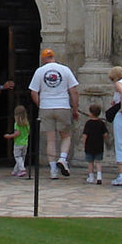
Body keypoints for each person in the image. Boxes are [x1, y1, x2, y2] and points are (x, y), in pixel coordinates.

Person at [28, 49, 79, 179]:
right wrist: (75, 108)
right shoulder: (65, 70)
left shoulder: (39, 71)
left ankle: (53, 170)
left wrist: (42, 105)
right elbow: (73, 90)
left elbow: (33, 92)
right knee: (66, 136)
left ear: (43, 58)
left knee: (50, 139)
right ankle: (62, 158)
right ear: (53, 57)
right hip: (62, 105)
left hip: (46, 106)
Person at [80, 103, 106, 183]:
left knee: (90, 162)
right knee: (98, 161)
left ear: (90, 113)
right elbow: (105, 134)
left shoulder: (88, 123)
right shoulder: (101, 123)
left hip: (89, 145)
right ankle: (99, 176)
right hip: (99, 145)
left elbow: (85, 135)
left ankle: (91, 176)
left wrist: (83, 143)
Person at [5, 105, 31, 178]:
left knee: (17, 157)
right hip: (25, 143)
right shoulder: (27, 124)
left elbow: (17, 133)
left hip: (18, 143)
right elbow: (28, 132)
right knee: (22, 157)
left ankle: (22, 169)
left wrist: (9, 136)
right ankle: (15, 170)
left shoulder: (17, 124)